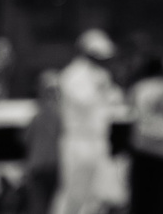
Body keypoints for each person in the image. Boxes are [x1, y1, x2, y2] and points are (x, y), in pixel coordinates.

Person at [52, 30, 124, 214]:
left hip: (98, 140)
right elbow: (84, 100)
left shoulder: (101, 76)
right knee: (73, 194)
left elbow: (116, 99)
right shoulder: (72, 75)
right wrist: (101, 88)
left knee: (96, 196)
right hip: (78, 141)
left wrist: (104, 87)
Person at [125, 56, 163, 214]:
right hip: (162, 147)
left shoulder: (137, 87)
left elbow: (130, 112)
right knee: (161, 192)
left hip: (141, 143)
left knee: (141, 191)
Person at [22, 68, 65, 214]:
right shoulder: (38, 116)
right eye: (49, 90)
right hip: (41, 170)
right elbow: (27, 140)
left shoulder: (50, 115)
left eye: (55, 90)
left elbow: (25, 140)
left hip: (55, 169)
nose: (52, 95)